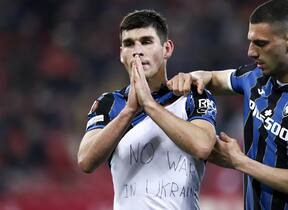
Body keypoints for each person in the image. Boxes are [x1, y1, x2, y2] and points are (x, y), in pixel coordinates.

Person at [167, 0, 288, 209]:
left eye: (261, 43)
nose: (251, 52)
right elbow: (214, 78)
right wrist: (193, 76)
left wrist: (239, 161)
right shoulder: (255, 77)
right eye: (250, 41)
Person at [77, 10, 217, 210]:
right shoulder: (110, 103)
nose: (137, 51)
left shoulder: (192, 95)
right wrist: (129, 111)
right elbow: (85, 161)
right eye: (129, 44)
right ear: (121, 54)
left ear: (167, 48)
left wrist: (149, 105)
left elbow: (203, 146)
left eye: (146, 41)